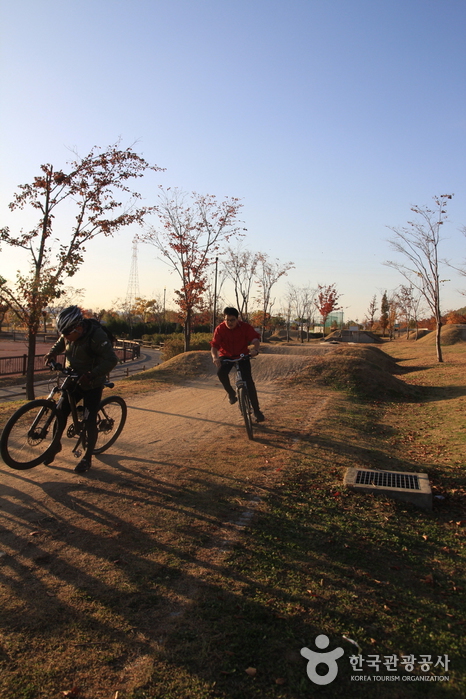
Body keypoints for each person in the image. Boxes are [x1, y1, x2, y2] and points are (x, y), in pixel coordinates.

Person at [43, 306, 118, 473]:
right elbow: (61, 342)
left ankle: (87, 458)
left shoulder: (97, 337)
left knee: (89, 420)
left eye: (68, 333)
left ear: (78, 327)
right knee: (60, 412)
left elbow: (112, 360)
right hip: (73, 377)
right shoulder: (68, 333)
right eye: (63, 333)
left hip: (92, 382)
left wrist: (92, 375)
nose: (66, 337)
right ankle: (55, 446)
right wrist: (52, 353)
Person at [210, 307, 264, 422]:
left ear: (237, 319)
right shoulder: (220, 329)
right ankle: (231, 393)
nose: (229, 322)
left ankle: (257, 411)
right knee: (221, 373)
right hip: (226, 356)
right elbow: (214, 346)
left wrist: (256, 350)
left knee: (249, 383)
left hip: (242, 356)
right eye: (227, 320)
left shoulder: (245, 327)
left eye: (232, 320)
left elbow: (255, 339)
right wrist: (215, 357)